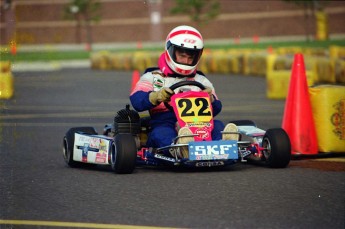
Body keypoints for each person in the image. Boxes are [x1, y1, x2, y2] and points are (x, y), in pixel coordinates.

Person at [130, 25, 238, 152]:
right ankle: (181, 149)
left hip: (200, 124)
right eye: (182, 55)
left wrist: (211, 100)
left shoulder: (200, 80)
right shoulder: (153, 77)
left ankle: (226, 145)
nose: (186, 61)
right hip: (165, 121)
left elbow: (217, 108)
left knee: (218, 125)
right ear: (170, 51)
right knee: (161, 133)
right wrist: (156, 96)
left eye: (190, 57)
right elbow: (136, 100)